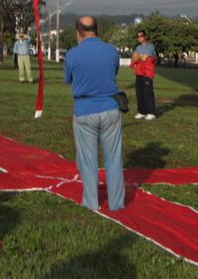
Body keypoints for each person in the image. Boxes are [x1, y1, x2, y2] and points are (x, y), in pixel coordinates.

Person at [64, 16, 125, 211]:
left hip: (84, 110)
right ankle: (116, 203)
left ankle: (91, 203)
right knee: (113, 159)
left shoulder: (73, 54)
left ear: (78, 32)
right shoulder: (111, 51)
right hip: (110, 108)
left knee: (88, 160)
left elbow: (68, 79)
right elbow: (113, 72)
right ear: (97, 30)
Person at [131, 29, 157, 120]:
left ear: (145, 36)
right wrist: (139, 56)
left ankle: (151, 112)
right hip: (139, 72)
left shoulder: (150, 46)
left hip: (147, 72)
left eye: (141, 35)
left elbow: (145, 58)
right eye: (138, 36)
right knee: (139, 92)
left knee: (148, 92)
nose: (139, 38)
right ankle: (141, 111)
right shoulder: (138, 48)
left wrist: (138, 56)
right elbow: (134, 58)